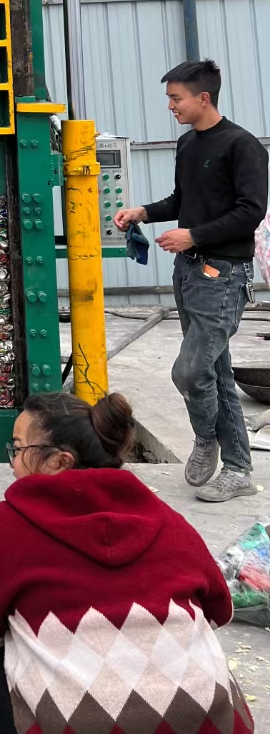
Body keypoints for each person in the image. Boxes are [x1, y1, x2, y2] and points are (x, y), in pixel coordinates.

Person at [0, 391, 252, 734]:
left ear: (59, 461)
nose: (12, 463)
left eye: (17, 449)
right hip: (209, 723)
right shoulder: (167, 520)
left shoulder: (5, 526)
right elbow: (219, 612)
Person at [114, 58, 268, 502]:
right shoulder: (187, 144)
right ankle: (238, 469)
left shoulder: (243, 146)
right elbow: (182, 200)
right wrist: (143, 212)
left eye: (176, 98)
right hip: (189, 272)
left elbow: (250, 212)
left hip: (224, 276)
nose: (170, 106)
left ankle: (206, 438)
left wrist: (193, 235)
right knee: (215, 371)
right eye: (169, 98)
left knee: (190, 369)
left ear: (203, 97)